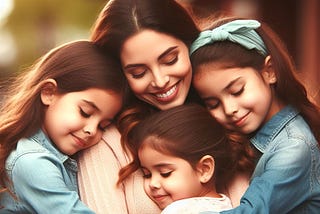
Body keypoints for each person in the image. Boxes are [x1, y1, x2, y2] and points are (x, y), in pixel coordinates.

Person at [78, 0, 255, 213]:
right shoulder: (104, 142)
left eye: (170, 60)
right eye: (138, 73)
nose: (160, 81)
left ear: (189, 45)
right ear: (120, 75)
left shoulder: (230, 116)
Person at [190, 17, 320, 213]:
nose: (229, 109)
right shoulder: (248, 139)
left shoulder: (294, 148)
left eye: (237, 91)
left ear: (270, 71)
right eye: (213, 104)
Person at [0, 40, 125, 213]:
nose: (92, 130)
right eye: (85, 112)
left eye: (104, 126)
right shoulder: (32, 162)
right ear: (49, 92)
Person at [117, 104, 241, 213]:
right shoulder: (228, 206)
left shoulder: (177, 210)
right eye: (147, 175)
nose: (153, 184)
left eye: (165, 173)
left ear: (204, 169)